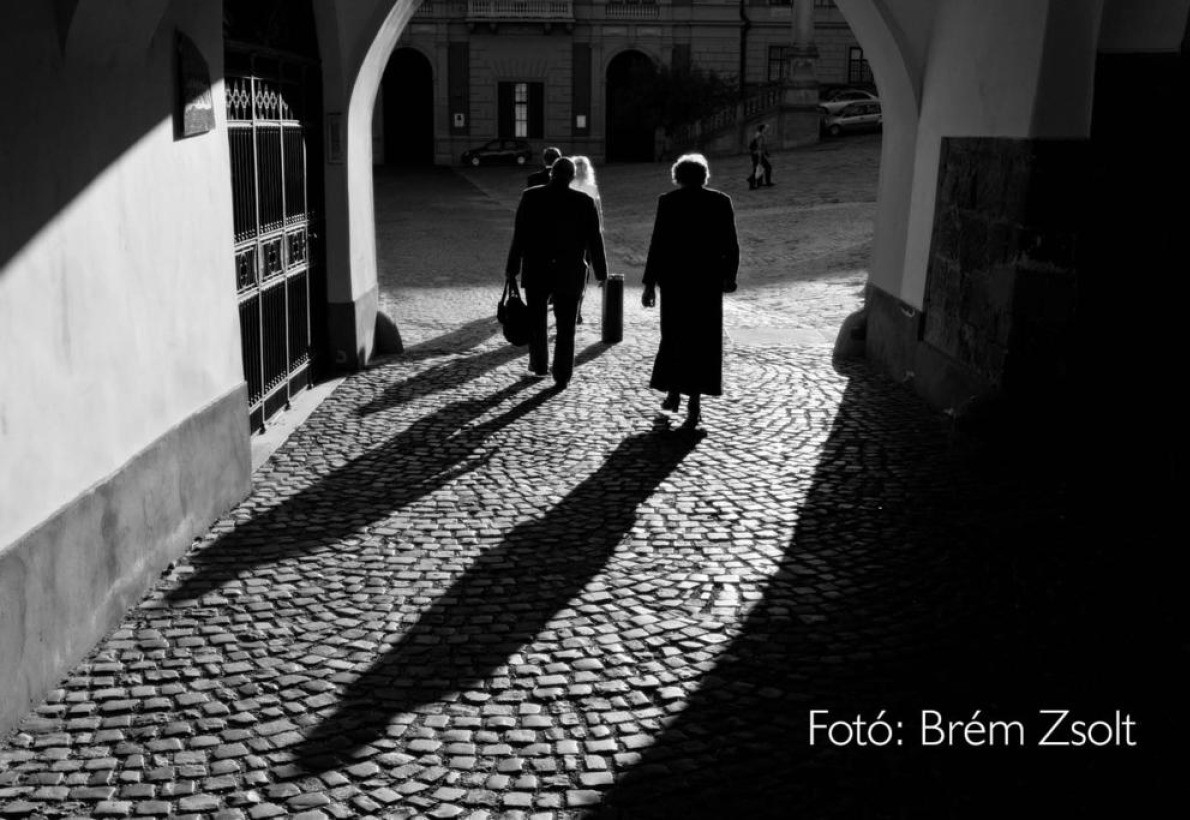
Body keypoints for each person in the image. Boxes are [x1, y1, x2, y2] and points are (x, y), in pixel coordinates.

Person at [642, 153, 739, 428]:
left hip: (676, 282)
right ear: (704, 176)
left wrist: (649, 284)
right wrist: (729, 276)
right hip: (706, 282)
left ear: (678, 176)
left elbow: (658, 244)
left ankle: (673, 392)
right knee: (703, 342)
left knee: (674, 337)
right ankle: (694, 403)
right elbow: (731, 243)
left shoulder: (668, 202)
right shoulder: (720, 201)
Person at [506, 157, 609, 389]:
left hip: (537, 268)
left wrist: (512, 268)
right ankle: (562, 374)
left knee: (537, 321)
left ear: (551, 173)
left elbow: (519, 235)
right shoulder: (584, 201)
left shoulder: (531, 196)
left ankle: (539, 365)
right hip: (570, 270)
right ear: (572, 177)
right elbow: (595, 240)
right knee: (566, 327)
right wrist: (602, 273)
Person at [570, 156, 603, 325]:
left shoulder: (570, 186)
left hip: (572, 236)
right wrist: (599, 231)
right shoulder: (591, 188)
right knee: (583, 273)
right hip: (585, 236)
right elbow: (599, 215)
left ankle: (571, 306)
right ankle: (577, 308)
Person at [747, 123, 773, 189]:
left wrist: (766, 153)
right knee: (766, 167)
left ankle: (758, 183)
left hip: (757, 154)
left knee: (759, 168)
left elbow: (762, 146)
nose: (767, 130)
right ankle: (751, 180)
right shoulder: (759, 135)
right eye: (766, 129)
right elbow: (759, 146)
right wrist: (761, 154)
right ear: (763, 129)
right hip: (758, 154)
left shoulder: (759, 134)